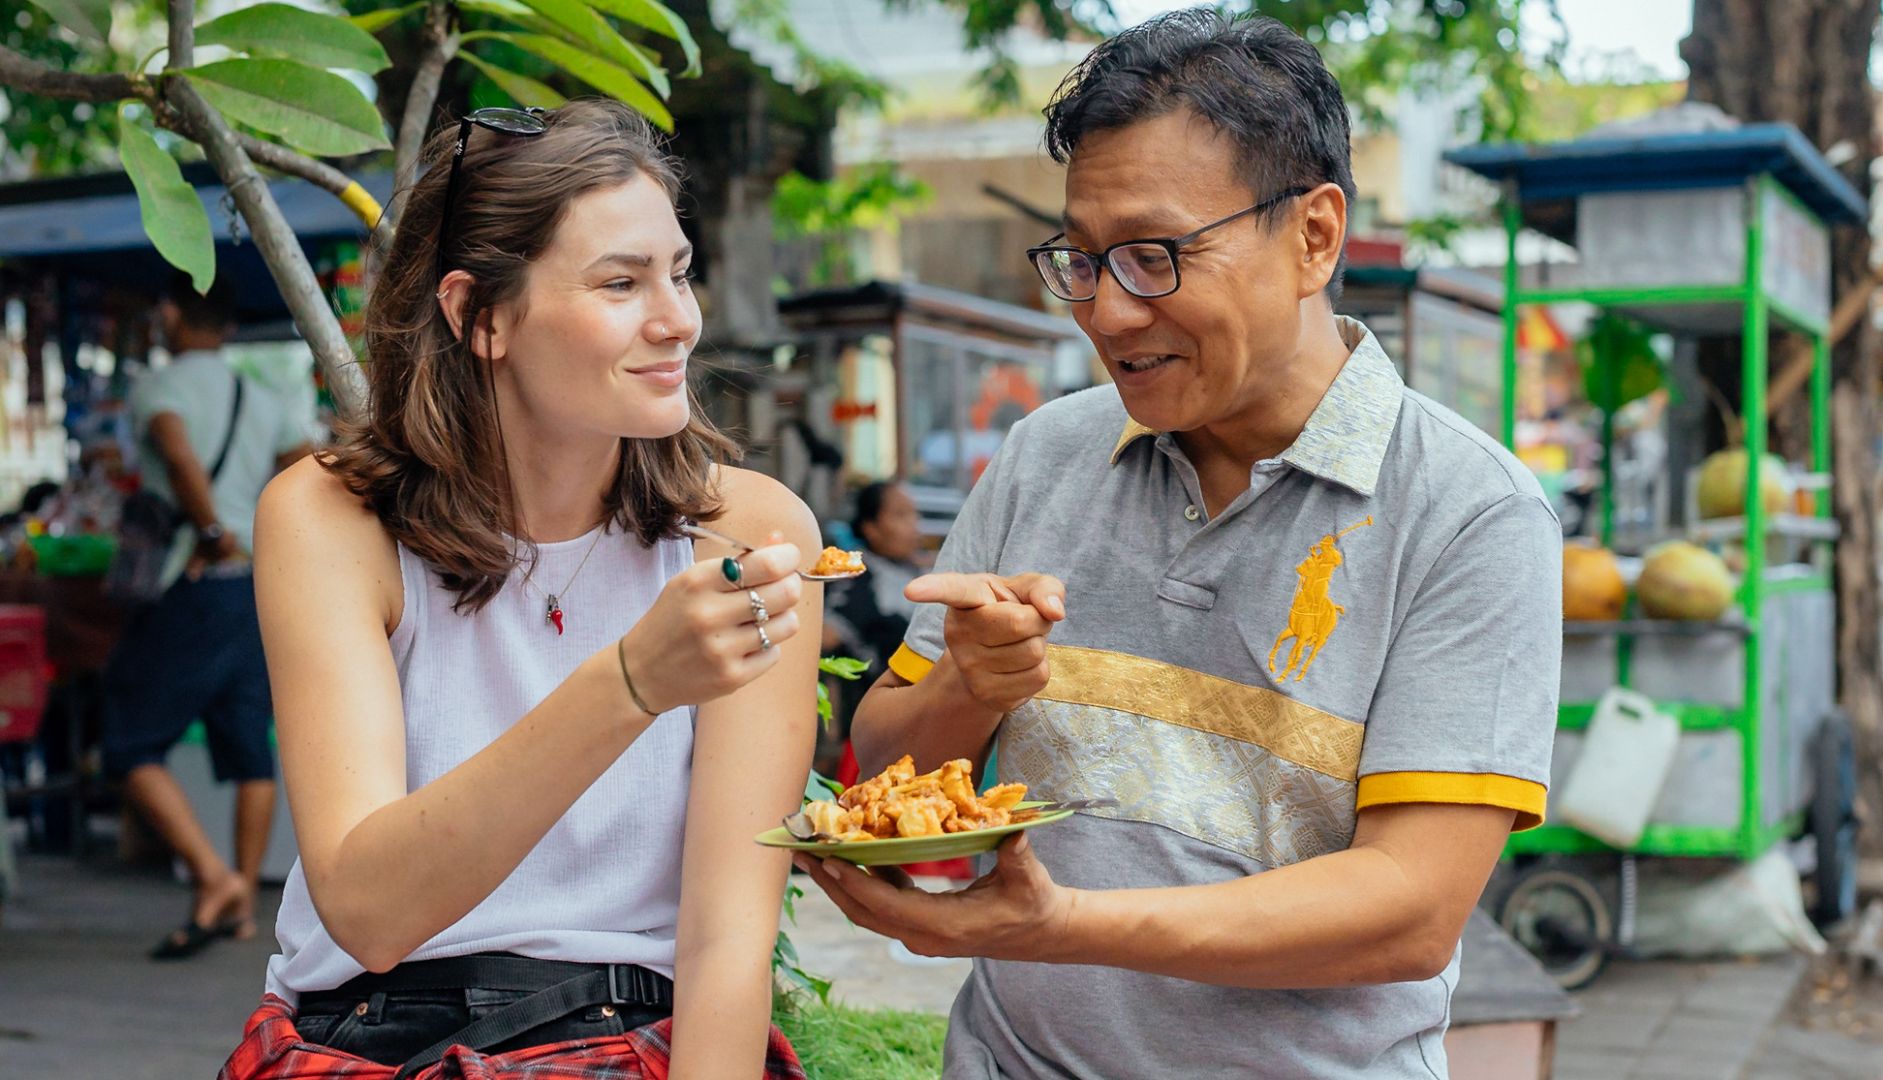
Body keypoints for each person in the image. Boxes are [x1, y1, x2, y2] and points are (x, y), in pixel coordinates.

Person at [797, 11, 1561, 1078]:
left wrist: (1059, 927)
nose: (1107, 313)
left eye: (1154, 258)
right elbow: (886, 774)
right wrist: (971, 683)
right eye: (1081, 260)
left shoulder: (1471, 513)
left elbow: (1411, 909)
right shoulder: (1044, 454)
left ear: (1314, 237)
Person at [217, 100, 819, 1079]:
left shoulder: (748, 532)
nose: (678, 320)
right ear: (477, 316)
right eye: (621, 282)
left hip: (634, 1036)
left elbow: (727, 944)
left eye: (678, 272)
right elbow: (369, 912)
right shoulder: (331, 519)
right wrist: (629, 684)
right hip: (372, 1036)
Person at [100, 272, 316, 960]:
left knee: (128, 743)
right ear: (227, 327)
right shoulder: (264, 396)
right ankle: (243, 900)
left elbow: (177, 451)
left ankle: (213, 875)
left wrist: (212, 528)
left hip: (194, 583)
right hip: (253, 587)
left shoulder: (159, 388)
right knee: (248, 742)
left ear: (170, 315)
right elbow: (307, 463)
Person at [824, 480, 922, 736]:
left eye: (914, 514)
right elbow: (825, 637)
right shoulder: (855, 579)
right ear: (871, 528)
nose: (914, 525)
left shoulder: (913, 571)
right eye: (901, 515)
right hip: (875, 728)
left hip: (920, 719)